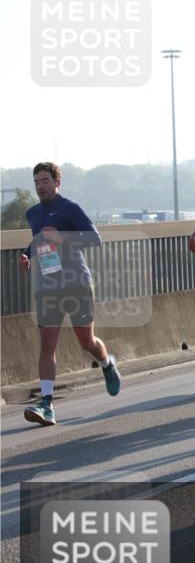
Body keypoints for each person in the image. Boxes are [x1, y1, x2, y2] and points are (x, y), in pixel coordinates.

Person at [20, 162, 122, 426]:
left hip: (76, 283)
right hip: (48, 286)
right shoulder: (33, 213)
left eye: (45, 181)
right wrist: (27, 255)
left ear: (57, 182)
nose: (40, 186)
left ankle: (107, 363)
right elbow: (38, 239)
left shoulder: (70, 209)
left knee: (86, 341)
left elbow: (95, 239)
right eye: (36, 182)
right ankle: (46, 403)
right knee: (47, 344)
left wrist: (63, 238)